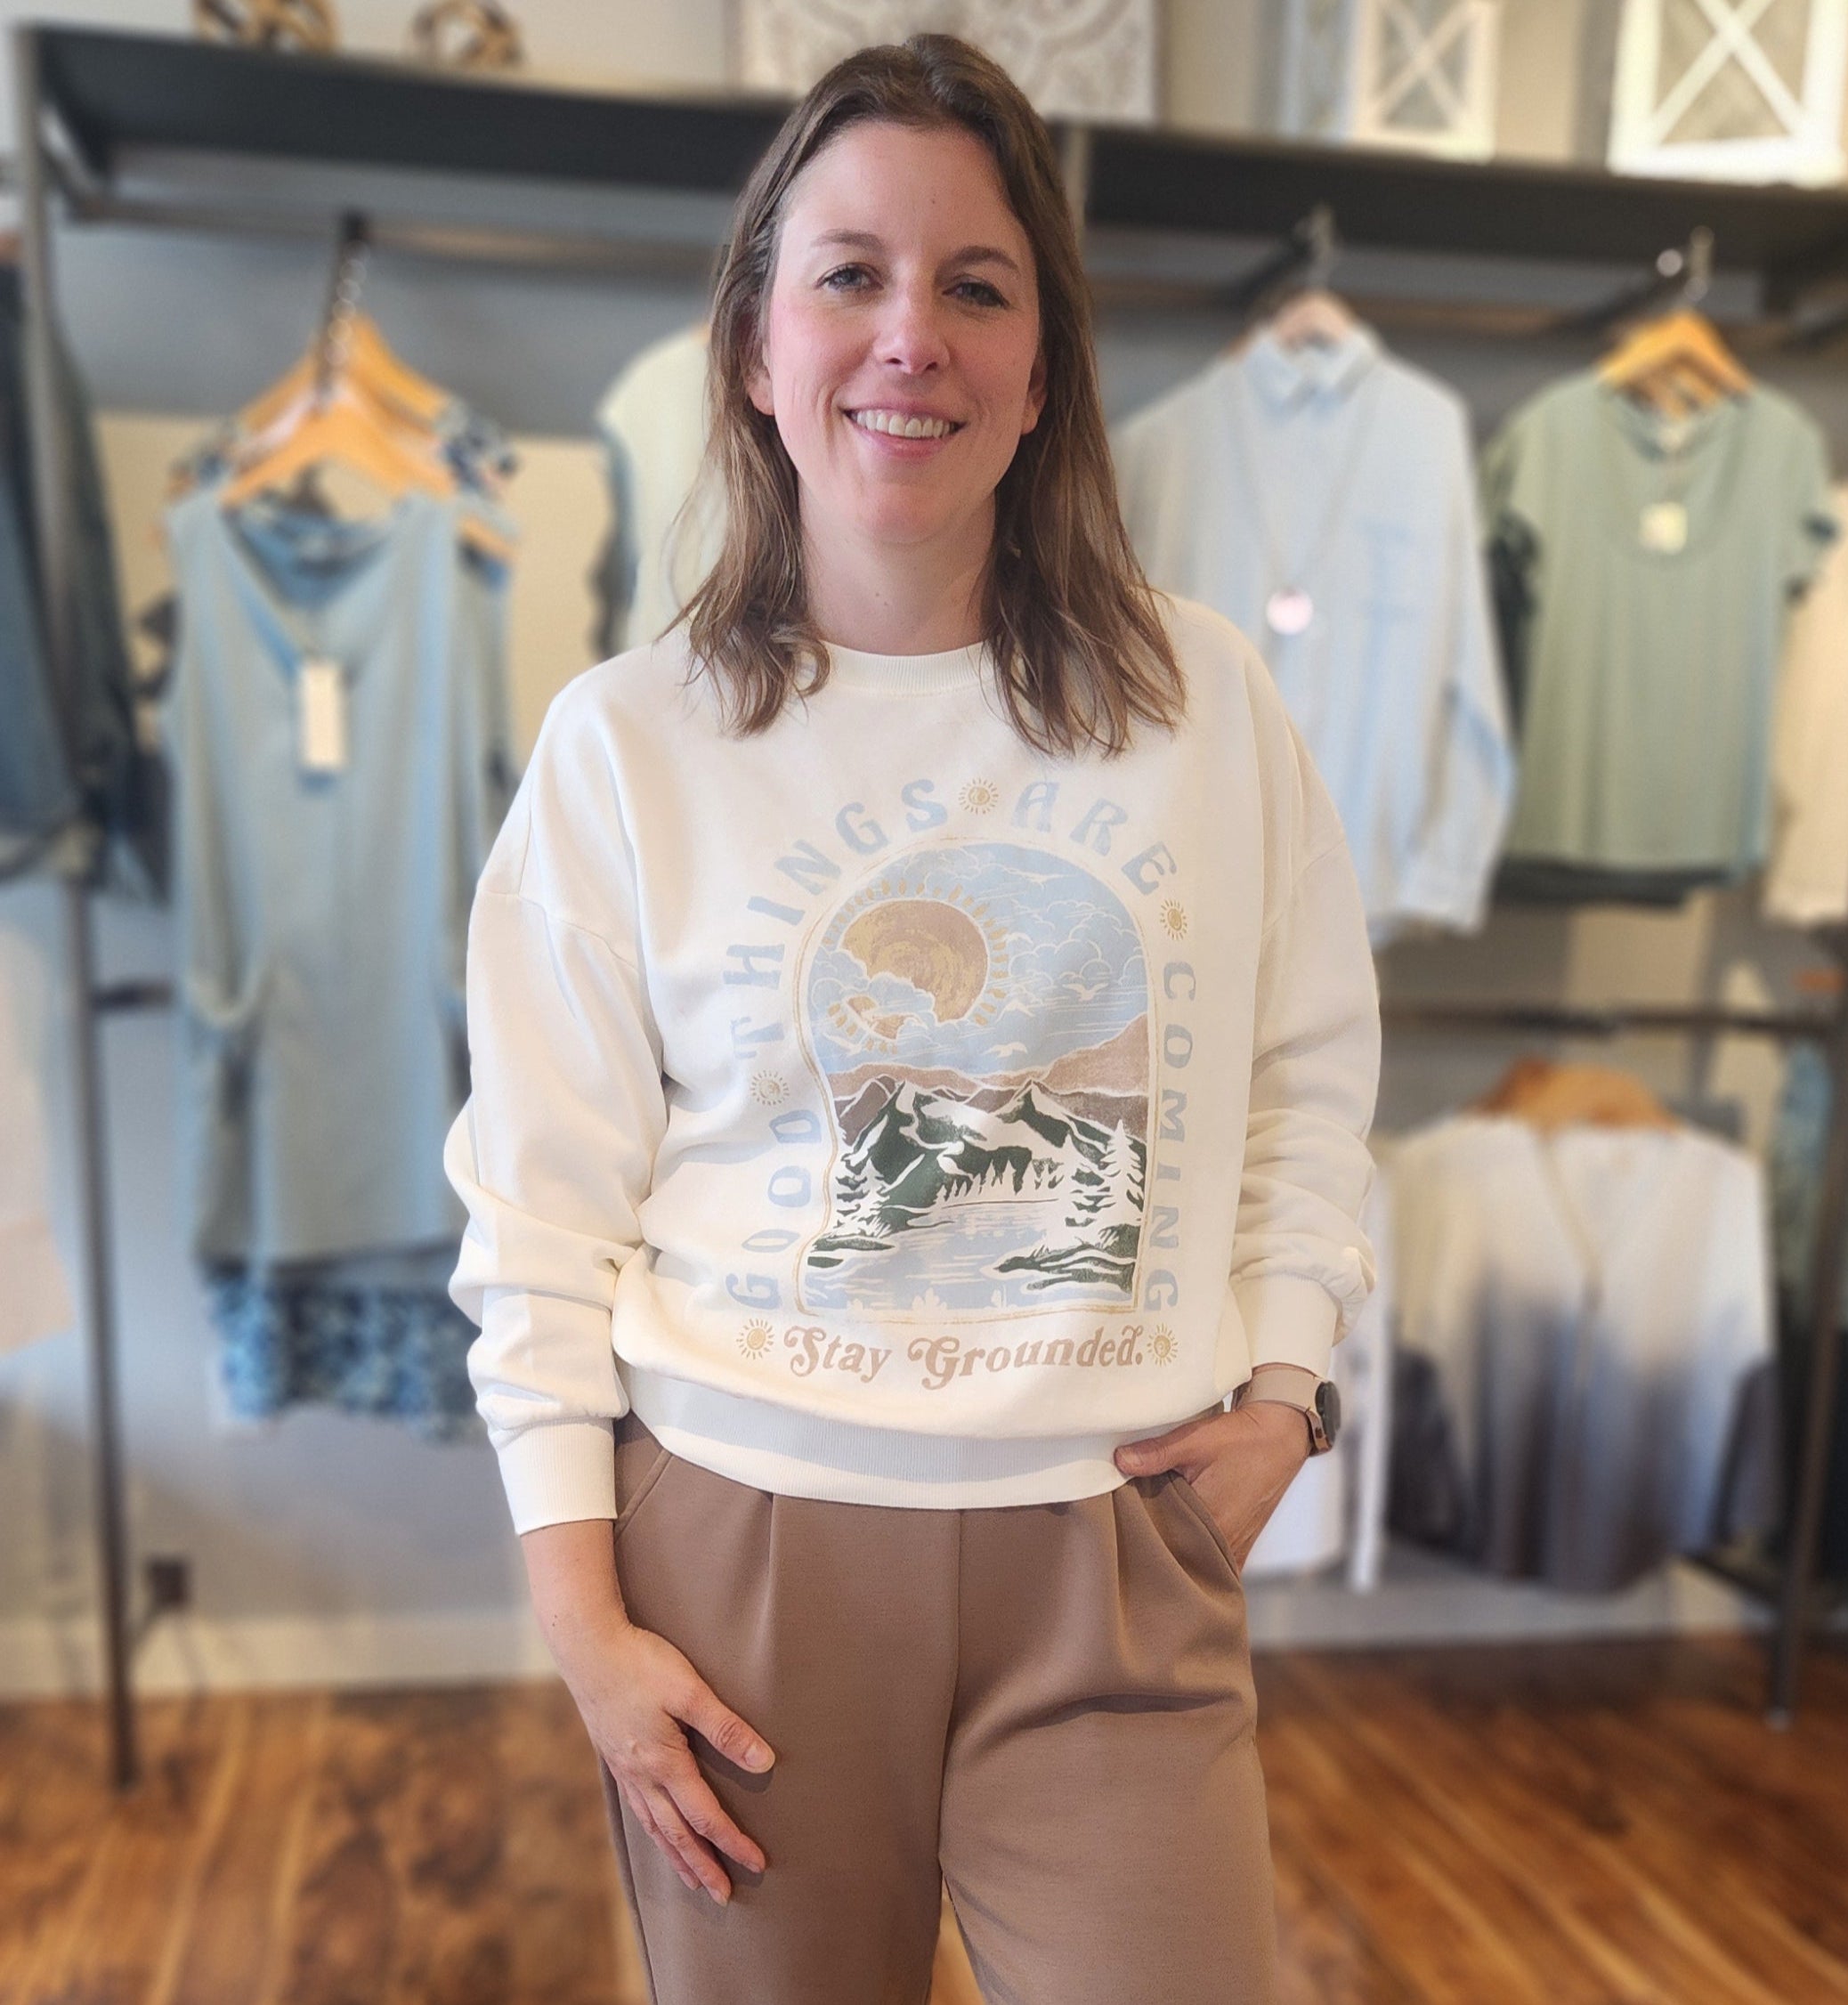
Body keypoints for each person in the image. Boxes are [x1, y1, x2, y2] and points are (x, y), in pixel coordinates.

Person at [445, 32, 1379, 2003]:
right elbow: (538, 1213)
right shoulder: (626, 745)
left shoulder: (1206, 703)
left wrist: (1290, 1383)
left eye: (977, 287)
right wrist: (584, 1625)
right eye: (850, 276)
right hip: (742, 1579)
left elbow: (1307, 1076)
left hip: (1119, 1559)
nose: (910, 341)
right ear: (754, 346)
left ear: (1043, 370)